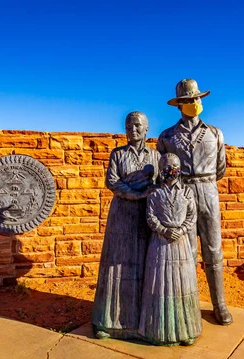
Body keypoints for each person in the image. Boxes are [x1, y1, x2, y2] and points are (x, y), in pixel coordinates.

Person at [157, 79, 233, 325]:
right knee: (186, 252)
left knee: (214, 250)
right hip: (182, 193)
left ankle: (219, 304)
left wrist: (205, 183)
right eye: (190, 100)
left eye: (198, 98)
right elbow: (162, 169)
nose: (195, 103)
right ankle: (188, 305)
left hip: (208, 191)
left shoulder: (214, 133)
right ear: (180, 105)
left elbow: (220, 169)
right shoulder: (167, 136)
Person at [91, 111, 161, 339]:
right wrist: (134, 193)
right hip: (122, 214)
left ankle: (141, 321)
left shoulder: (155, 156)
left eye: (138, 125)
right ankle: (109, 322)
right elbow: (112, 181)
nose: (133, 129)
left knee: (143, 264)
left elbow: (160, 183)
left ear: (147, 129)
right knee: (116, 264)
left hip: (145, 215)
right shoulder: (117, 154)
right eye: (129, 125)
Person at [139, 153, 202, 346]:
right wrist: (164, 230)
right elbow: (150, 217)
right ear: (160, 169)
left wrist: (180, 230)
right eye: (166, 166)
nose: (171, 169)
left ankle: (186, 330)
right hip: (160, 243)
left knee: (182, 283)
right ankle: (158, 331)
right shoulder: (155, 193)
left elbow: (192, 216)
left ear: (180, 168)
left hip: (180, 243)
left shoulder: (187, 192)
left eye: (174, 166)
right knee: (160, 283)